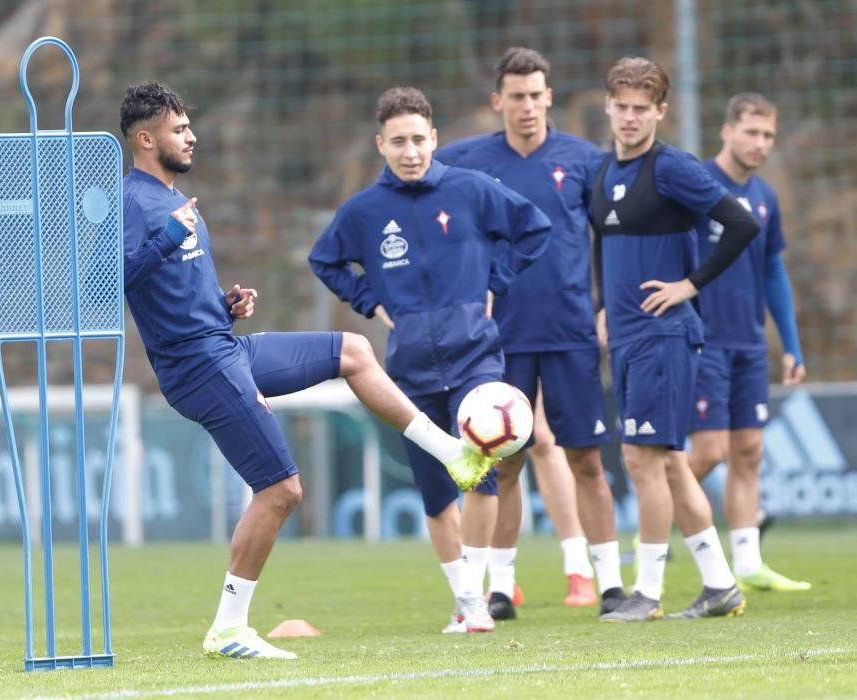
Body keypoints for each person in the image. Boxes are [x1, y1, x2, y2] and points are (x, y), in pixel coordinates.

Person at [120, 81, 500, 659]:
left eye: (189, 125)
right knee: (281, 490)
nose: (192, 136)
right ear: (146, 139)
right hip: (198, 366)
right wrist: (169, 240)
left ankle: (450, 452)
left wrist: (224, 304)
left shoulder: (174, 200)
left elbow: (171, 292)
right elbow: (114, 279)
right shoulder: (134, 201)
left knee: (353, 350)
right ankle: (228, 628)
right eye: (179, 129)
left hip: (222, 345)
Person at [309, 86, 550, 634]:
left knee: (482, 478)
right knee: (438, 492)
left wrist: (497, 281)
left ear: (435, 139)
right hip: (411, 368)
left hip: (476, 360)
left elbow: (534, 228)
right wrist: (371, 302)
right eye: (399, 142)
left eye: (419, 139)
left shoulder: (471, 189)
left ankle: (480, 598)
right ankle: (464, 600)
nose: (411, 151)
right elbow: (324, 259)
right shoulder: (366, 211)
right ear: (381, 145)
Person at [435, 46, 626, 619]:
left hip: (570, 331)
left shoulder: (585, 160)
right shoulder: (467, 163)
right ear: (498, 102)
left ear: (550, 99)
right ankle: (499, 588)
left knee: (587, 460)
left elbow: (613, 238)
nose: (526, 106)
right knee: (505, 461)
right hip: (502, 336)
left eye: (535, 96)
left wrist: (607, 306)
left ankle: (611, 584)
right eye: (515, 97)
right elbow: (409, 183)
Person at [588, 57, 760, 621]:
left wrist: (690, 284)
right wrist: (601, 307)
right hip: (629, 335)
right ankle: (719, 585)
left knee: (641, 458)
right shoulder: (600, 171)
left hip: (665, 333)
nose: (631, 117)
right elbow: (602, 242)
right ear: (608, 106)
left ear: (661, 111)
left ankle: (648, 592)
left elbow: (740, 224)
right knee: (668, 464)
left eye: (643, 108)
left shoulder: (672, 169)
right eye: (622, 106)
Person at [687, 93, 810, 592]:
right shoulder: (696, 186)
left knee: (749, 450)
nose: (760, 144)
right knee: (711, 450)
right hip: (704, 340)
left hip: (750, 344)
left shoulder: (765, 196)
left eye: (768, 136)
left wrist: (792, 345)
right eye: (752, 132)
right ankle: (650, 523)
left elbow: (773, 271)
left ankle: (748, 561)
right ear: (727, 130)